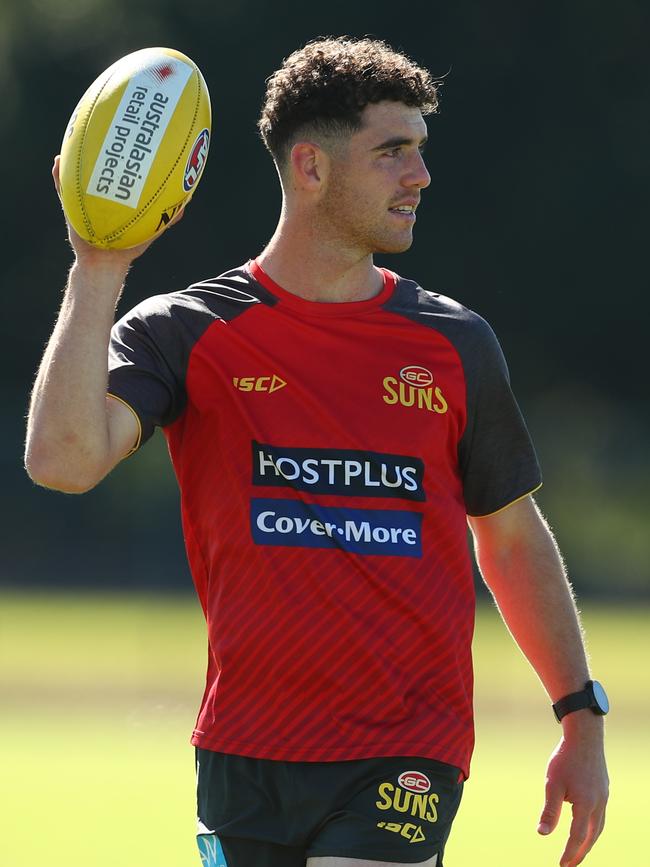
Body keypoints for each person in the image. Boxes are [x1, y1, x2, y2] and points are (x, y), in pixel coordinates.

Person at [25, 36, 608, 867]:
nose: (421, 176)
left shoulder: (455, 344)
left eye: (420, 151)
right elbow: (63, 460)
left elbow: (511, 537)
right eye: (392, 152)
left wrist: (579, 715)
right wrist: (99, 266)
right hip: (243, 754)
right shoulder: (186, 330)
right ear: (311, 167)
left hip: (407, 747)